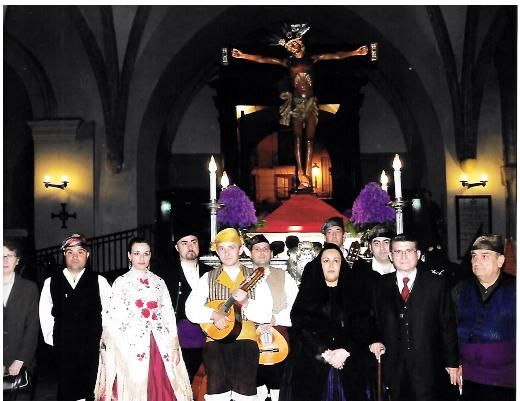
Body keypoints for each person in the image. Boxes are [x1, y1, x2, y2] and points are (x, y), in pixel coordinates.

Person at [232, 23, 368, 189]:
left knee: (309, 139)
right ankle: (300, 172)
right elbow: (264, 59)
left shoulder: (312, 59)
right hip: (296, 103)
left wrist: (355, 52)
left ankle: (308, 174)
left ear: (300, 44)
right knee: (297, 138)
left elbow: (335, 56)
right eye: (289, 46)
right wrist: (243, 56)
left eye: (294, 44)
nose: (291, 47)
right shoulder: (288, 62)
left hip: (311, 103)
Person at [94, 237, 192, 401]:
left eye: (146, 253)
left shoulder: (159, 282)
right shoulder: (121, 282)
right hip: (130, 344)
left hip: (159, 343)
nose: (142, 258)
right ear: (129, 256)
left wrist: (174, 345)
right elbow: (113, 316)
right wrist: (111, 348)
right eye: (137, 253)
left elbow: (168, 314)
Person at [280, 243, 379, 401]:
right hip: (313, 360)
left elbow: (363, 327)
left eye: (336, 261)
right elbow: (301, 327)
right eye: (326, 261)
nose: (331, 265)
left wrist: (345, 351)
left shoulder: (355, 294)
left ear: (342, 265)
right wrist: (325, 352)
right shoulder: (308, 293)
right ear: (319, 265)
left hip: (350, 361)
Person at [185, 228, 273, 401]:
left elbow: (266, 313)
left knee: (245, 390)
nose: (226, 253)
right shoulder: (207, 278)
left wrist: (247, 303)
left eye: (231, 247)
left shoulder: (255, 277)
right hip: (215, 341)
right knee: (217, 390)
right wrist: (213, 315)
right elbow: (190, 309)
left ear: (240, 250)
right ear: (217, 252)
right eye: (222, 248)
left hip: (246, 340)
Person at [370, 234, 460, 401]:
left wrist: (452, 362)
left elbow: (447, 325)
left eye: (409, 251)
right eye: (397, 252)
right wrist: (374, 339)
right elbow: (373, 319)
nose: (403, 256)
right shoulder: (380, 286)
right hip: (394, 369)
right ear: (391, 256)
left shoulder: (437, 284)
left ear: (418, 255)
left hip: (429, 367)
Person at [39, 234, 112, 401]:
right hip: (63, 344)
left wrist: (104, 339)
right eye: (70, 252)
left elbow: (109, 312)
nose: (75, 256)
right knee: (66, 389)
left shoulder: (99, 281)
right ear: (64, 255)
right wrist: (53, 338)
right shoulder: (51, 282)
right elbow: (44, 312)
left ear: (87, 255)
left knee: (90, 389)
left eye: (80, 252)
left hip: (91, 345)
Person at [452, 235, 515, 401]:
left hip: (506, 381)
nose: (476, 261)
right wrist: (455, 363)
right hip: (470, 379)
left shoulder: (515, 289)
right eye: (474, 256)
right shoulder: (460, 290)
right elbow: (450, 328)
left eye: (484, 256)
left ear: (500, 261)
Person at [154, 226, 213, 382]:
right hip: (180, 340)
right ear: (177, 248)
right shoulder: (164, 274)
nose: (190, 246)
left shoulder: (211, 273)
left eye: (193, 242)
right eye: (184, 243)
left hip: (210, 337)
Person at [246, 235, 298, 401]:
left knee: (279, 386)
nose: (261, 252)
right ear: (250, 253)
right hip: (250, 338)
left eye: (265, 249)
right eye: (257, 249)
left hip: (280, 336)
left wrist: (275, 319)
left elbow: (295, 306)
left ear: (271, 253)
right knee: (254, 385)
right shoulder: (241, 277)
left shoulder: (284, 276)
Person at [3, 240, 39, 401]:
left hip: (20, 364)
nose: (4, 260)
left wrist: (20, 360)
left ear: (17, 260)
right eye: (1, 256)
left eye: (9, 256)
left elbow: (32, 326)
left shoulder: (29, 289)